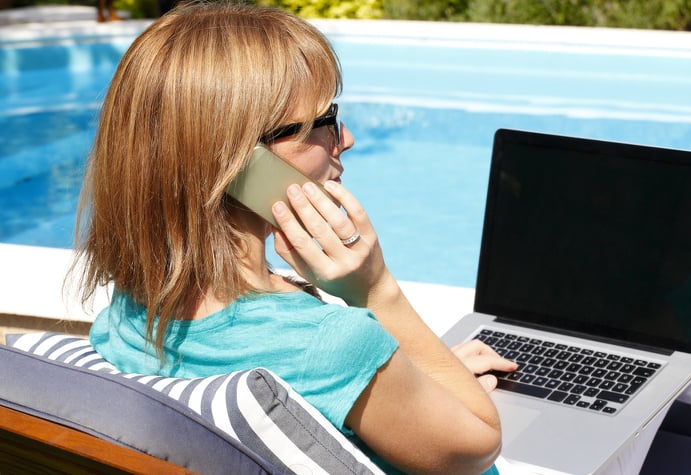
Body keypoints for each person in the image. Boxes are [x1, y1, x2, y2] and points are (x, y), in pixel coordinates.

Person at [73, 2, 516, 474]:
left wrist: (416, 377)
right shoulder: (328, 345)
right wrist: (375, 290)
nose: (345, 138)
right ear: (242, 161)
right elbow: (479, 444)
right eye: (322, 122)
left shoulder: (133, 310)